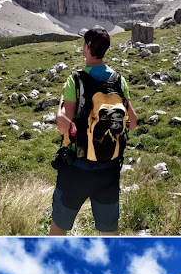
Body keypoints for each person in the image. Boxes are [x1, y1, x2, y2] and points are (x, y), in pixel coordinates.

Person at [50, 25, 137, 235]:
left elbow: (63, 125)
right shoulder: (118, 80)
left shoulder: (76, 80)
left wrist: (62, 97)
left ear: (87, 47)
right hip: (109, 169)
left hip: (76, 169)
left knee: (59, 229)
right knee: (109, 232)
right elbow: (132, 123)